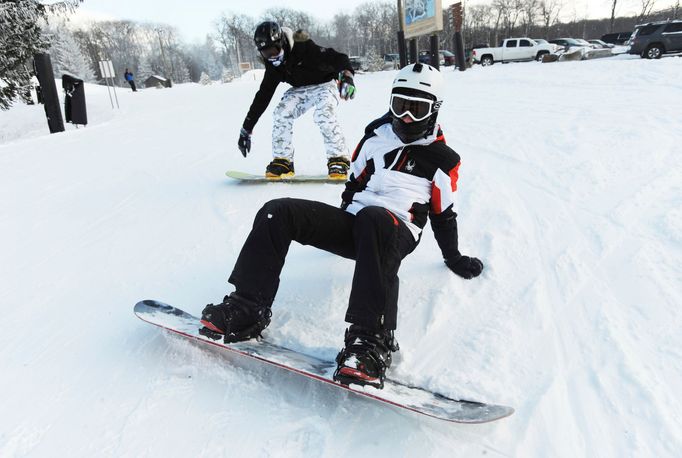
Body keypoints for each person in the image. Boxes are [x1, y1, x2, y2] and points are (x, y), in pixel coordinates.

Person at [203, 63, 483, 389]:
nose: (406, 117)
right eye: (400, 106)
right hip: (359, 224)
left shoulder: (443, 160)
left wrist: (453, 257)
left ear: (434, 111)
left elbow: (443, 215)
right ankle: (247, 307)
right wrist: (339, 225)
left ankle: (370, 341)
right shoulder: (375, 137)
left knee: (374, 218)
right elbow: (353, 185)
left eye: (417, 110)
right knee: (277, 211)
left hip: (396, 231)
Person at [237, 21, 356, 180]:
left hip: (325, 84)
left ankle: (338, 159)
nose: (271, 56)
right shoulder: (273, 66)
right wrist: (247, 128)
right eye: (266, 53)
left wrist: (346, 76)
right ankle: (283, 161)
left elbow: (338, 58)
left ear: (282, 42)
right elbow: (263, 96)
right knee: (281, 113)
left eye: (274, 50)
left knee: (324, 114)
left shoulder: (304, 47)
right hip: (300, 90)